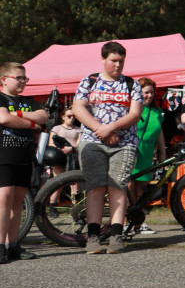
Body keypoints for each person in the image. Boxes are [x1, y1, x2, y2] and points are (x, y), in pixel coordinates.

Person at [72, 41, 143, 255]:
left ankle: (116, 235)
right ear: (103, 59)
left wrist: (111, 128)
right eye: (113, 60)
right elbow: (78, 107)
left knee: (118, 187)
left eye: (121, 61)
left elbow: (135, 114)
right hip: (93, 141)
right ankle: (93, 236)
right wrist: (99, 129)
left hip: (124, 143)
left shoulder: (132, 84)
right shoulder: (90, 81)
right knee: (95, 187)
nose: (118, 65)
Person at [0, 62, 46, 263]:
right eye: (18, 78)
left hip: (25, 156)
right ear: (3, 79)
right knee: (4, 199)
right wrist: (31, 124)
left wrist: (17, 115)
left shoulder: (29, 100)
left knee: (18, 202)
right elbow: (3, 119)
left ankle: (14, 246)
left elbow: (43, 116)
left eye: (24, 78)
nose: (23, 82)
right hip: (3, 156)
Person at [129, 78, 166, 235]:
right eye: (146, 92)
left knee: (140, 191)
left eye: (151, 92)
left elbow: (159, 132)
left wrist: (163, 153)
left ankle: (137, 223)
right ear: (139, 92)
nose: (149, 95)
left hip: (146, 154)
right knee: (128, 187)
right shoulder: (131, 108)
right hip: (131, 152)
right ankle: (125, 221)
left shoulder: (156, 111)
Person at [47, 107, 83, 214]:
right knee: (58, 182)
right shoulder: (57, 128)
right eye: (69, 116)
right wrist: (62, 149)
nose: (71, 118)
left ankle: (76, 210)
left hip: (73, 158)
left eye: (73, 116)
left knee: (75, 184)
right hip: (59, 157)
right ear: (63, 117)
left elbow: (79, 144)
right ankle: (52, 206)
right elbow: (51, 144)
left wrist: (72, 148)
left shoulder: (78, 129)